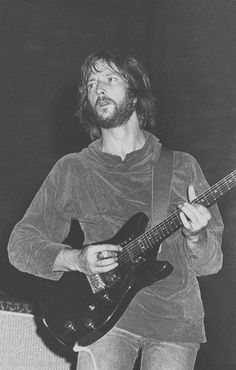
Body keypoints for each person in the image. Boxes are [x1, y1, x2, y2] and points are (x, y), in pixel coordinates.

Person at [8, 50, 224, 370]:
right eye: (92, 83)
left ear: (135, 93)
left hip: (174, 325)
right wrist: (76, 259)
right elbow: (20, 244)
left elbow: (211, 264)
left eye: (110, 78)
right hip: (102, 321)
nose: (99, 89)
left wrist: (196, 237)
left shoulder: (182, 167)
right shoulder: (74, 169)